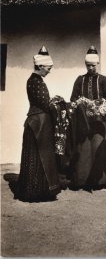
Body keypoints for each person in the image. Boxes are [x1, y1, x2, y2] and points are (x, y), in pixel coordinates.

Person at [13, 46, 61, 202]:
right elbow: (45, 104)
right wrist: (60, 105)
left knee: (37, 156)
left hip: (36, 123)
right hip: (38, 124)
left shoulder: (34, 80)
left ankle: (35, 190)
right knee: (38, 156)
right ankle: (35, 192)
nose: (49, 71)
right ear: (40, 66)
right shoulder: (36, 81)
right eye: (48, 68)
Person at [69, 46, 106, 190]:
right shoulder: (80, 80)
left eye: (93, 65)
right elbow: (73, 97)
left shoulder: (103, 80)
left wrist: (98, 104)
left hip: (99, 120)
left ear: (97, 64)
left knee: (98, 147)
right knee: (83, 148)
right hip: (83, 120)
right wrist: (81, 102)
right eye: (88, 65)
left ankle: (100, 180)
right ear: (85, 65)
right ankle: (82, 179)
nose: (91, 68)